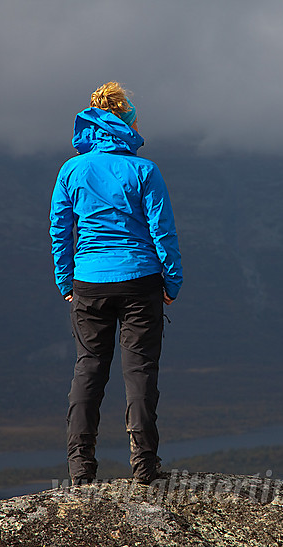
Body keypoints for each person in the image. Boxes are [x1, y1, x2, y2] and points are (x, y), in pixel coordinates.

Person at [49, 82, 182, 485]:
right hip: (141, 280)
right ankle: (144, 466)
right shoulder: (145, 170)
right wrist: (171, 282)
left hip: (88, 281)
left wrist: (66, 282)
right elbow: (163, 232)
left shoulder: (71, 170)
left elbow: (60, 230)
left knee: (88, 369)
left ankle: (80, 469)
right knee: (139, 371)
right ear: (126, 122)